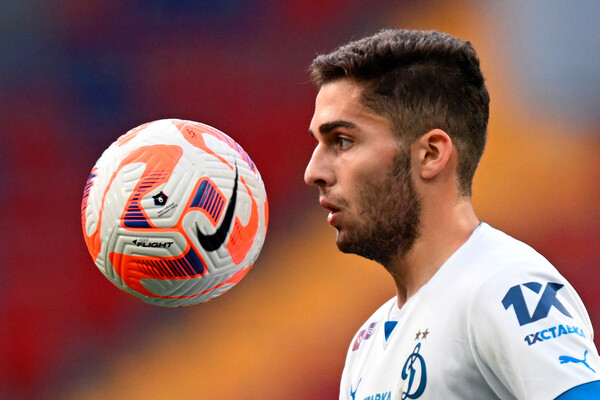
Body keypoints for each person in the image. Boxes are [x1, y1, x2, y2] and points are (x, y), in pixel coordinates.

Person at [304, 29, 600, 399]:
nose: (313, 172)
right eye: (318, 143)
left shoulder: (507, 286)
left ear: (430, 154)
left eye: (343, 141)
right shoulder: (367, 342)